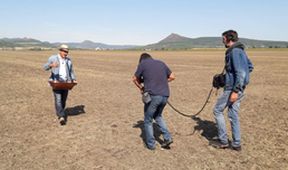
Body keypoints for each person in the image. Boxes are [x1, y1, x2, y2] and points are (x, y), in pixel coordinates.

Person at [211, 30, 254, 151]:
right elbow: (249, 67)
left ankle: (223, 141)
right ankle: (236, 143)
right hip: (239, 88)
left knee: (217, 111)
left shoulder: (234, 51)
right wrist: (229, 78)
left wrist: (235, 89)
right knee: (233, 114)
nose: (222, 40)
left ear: (229, 38)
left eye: (223, 38)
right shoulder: (241, 51)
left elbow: (241, 71)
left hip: (233, 90)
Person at [132, 53, 175, 150]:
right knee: (158, 116)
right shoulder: (161, 63)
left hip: (153, 96)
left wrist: (141, 88)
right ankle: (167, 138)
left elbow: (134, 79)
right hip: (165, 95)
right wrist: (162, 81)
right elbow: (172, 76)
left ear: (141, 60)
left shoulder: (142, 64)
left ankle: (151, 145)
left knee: (148, 120)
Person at [43, 44, 77, 125]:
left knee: (63, 100)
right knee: (58, 100)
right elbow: (44, 67)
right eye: (65, 51)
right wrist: (51, 65)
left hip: (66, 83)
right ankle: (61, 116)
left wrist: (74, 79)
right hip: (56, 83)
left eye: (67, 52)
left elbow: (71, 71)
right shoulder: (53, 58)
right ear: (60, 51)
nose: (66, 53)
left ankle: (60, 111)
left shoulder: (68, 60)